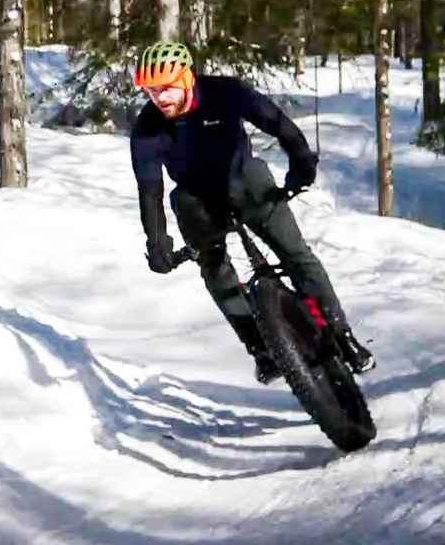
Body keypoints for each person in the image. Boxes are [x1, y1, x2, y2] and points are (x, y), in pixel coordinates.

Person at [128, 40, 375, 383]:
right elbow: (150, 191)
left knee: (296, 255)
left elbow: (278, 123)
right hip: (198, 199)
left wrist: (302, 163)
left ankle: (343, 336)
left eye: (167, 88)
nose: (161, 98)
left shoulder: (223, 92)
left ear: (186, 77)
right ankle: (261, 349)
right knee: (210, 264)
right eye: (152, 91)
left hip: (246, 182)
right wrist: (157, 244)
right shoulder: (146, 128)